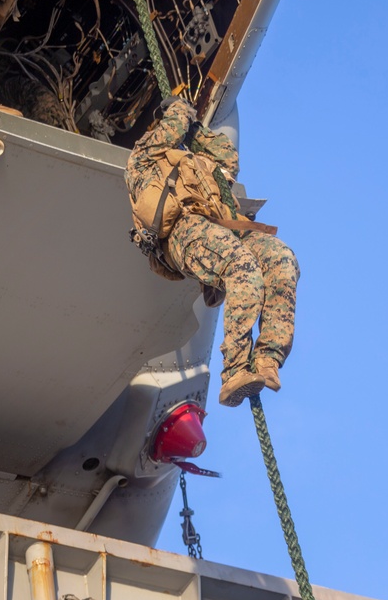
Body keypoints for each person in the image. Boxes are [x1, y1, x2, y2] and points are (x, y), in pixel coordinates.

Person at [126, 98, 300, 407]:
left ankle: (267, 358)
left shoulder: (207, 168)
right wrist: (179, 108)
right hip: (185, 233)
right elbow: (172, 128)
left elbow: (222, 151)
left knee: (281, 259)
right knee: (241, 267)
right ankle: (235, 370)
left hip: (222, 230)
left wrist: (194, 129)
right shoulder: (144, 158)